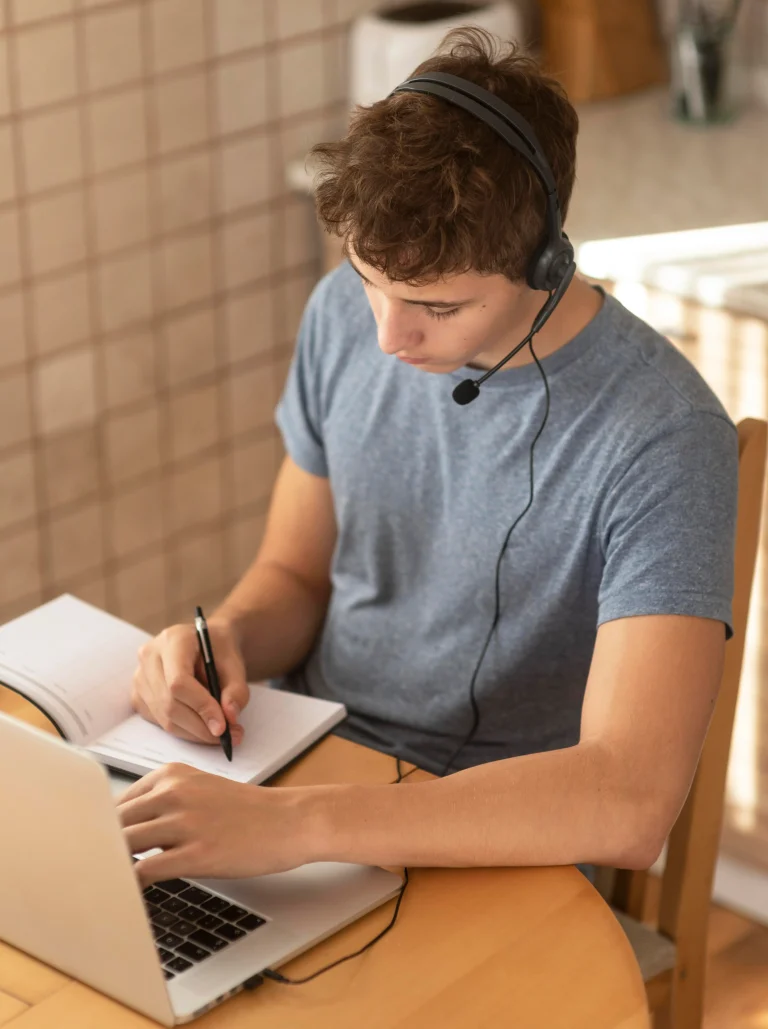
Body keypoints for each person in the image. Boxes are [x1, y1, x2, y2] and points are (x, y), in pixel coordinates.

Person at [118, 28, 738, 891]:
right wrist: (225, 641)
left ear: (542, 263)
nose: (387, 334)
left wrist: (299, 825)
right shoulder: (343, 311)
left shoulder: (665, 436)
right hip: (303, 775)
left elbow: (627, 800)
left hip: (497, 847)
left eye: (435, 308)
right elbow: (296, 578)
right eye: (370, 282)